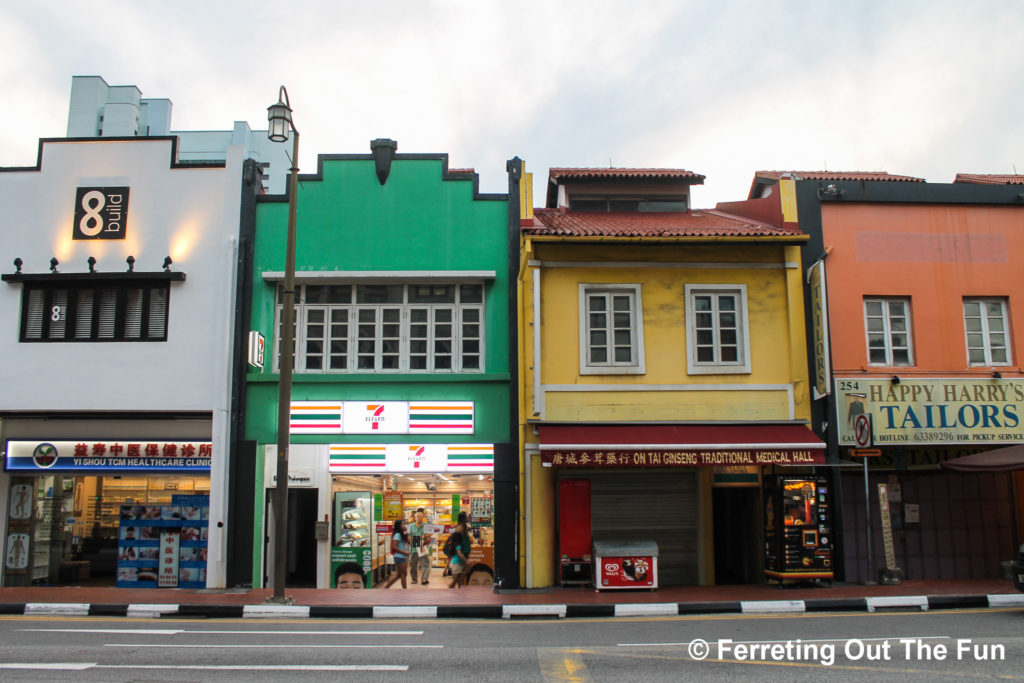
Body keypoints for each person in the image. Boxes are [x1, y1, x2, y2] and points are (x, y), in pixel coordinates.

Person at [382, 519, 411, 589]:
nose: (404, 525)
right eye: (402, 524)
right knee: (403, 574)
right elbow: (394, 547)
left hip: (403, 556)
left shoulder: (403, 534)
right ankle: (404, 589)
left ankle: (386, 587)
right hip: (400, 557)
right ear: (398, 526)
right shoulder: (397, 534)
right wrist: (405, 552)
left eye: (404, 524)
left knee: (398, 575)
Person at [447, 512, 472, 589]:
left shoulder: (462, 529)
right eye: (466, 517)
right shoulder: (459, 532)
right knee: (456, 581)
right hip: (458, 560)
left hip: (461, 558)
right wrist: (466, 560)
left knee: (460, 581)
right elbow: (458, 550)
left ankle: (460, 596)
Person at [409, 508, 432, 585]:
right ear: (414, 518)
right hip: (413, 549)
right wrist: (420, 538)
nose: (419, 518)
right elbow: (408, 538)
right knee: (413, 565)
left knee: (425, 564)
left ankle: (424, 579)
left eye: (420, 517)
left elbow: (428, 538)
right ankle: (414, 579)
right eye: (417, 517)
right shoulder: (411, 526)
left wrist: (423, 540)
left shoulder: (426, 525)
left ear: (423, 518)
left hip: (423, 547)